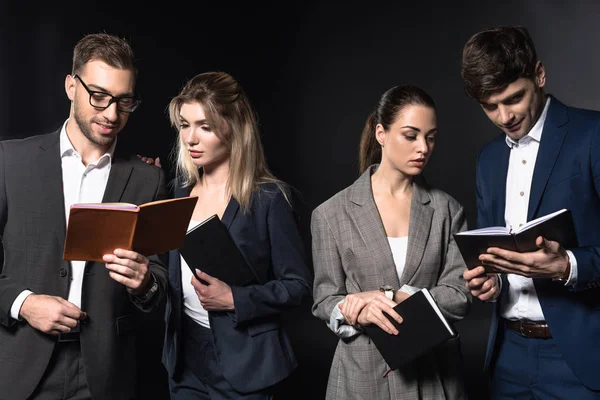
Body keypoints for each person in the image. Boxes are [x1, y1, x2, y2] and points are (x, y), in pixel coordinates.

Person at [0, 33, 169, 400]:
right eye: (99, 96)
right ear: (70, 86)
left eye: (124, 101)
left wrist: (144, 283)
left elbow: (159, 284)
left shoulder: (148, 178)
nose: (111, 114)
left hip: (106, 372)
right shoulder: (9, 162)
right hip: (19, 364)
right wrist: (24, 303)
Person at [461, 25, 600, 399]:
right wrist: (489, 283)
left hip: (579, 358)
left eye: (513, 98)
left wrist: (568, 266)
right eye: (490, 106)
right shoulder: (488, 160)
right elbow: (492, 253)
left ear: (539, 74)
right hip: (506, 356)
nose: (504, 116)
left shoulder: (593, 135)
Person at [311, 85, 471, 399]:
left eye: (431, 136)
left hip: (435, 376)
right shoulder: (330, 214)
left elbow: (460, 293)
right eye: (410, 136)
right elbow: (324, 298)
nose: (423, 148)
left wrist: (391, 296)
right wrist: (355, 310)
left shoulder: (448, 210)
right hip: (361, 378)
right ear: (381, 134)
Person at [161, 71, 312, 400]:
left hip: (247, 365)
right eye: (185, 125)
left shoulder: (269, 198)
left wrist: (235, 299)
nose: (191, 139)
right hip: (185, 359)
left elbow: (299, 286)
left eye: (205, 126)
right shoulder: (176, 193)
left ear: (233, 126)